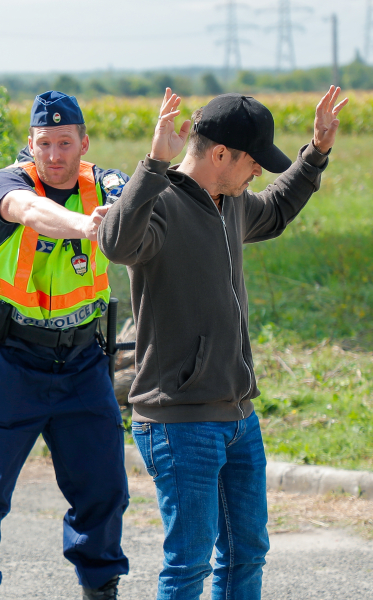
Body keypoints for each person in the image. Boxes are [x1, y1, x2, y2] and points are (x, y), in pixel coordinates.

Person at [98, 86, 347, 600]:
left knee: (246, 553)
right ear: (219, 154)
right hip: (178, 419)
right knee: (188, 566)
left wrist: (316, 153)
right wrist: (152, 164)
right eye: (253, 161)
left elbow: (275, 210)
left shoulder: (229, 202)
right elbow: (117, 244)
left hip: (237, 415)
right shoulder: (159, 204)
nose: (258, 171)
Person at [0, 91, 131, 600]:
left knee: (105, 487)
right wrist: (86, 227)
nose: (53, 154)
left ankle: (101, 586)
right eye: (44, 143)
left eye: (64, 142)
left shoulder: (107, 186)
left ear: (83, 143)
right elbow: (28, 211)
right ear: (30, 143)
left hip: (83, 361)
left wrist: (159, 162)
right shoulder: (6, 183)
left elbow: (142, 201)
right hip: (13, 361)